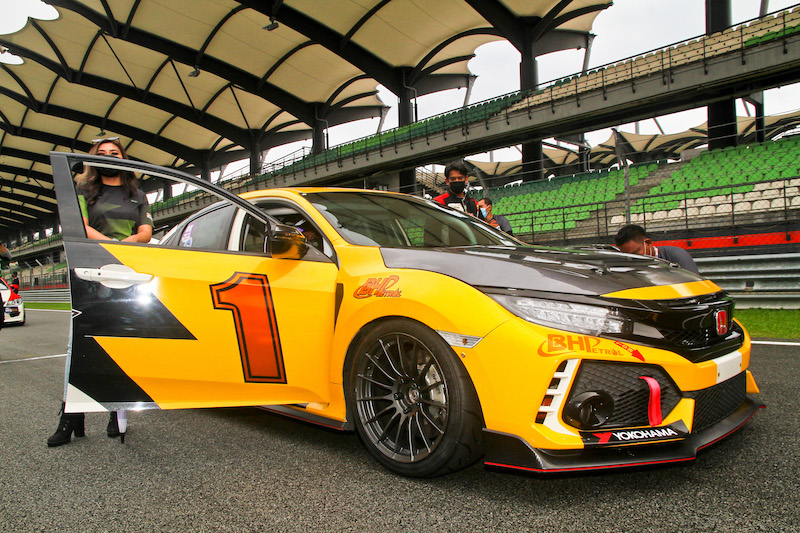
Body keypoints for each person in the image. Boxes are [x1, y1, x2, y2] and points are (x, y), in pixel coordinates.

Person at [47, 138, 153, 447]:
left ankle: (116, 411)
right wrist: (109, 244)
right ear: (93, 159)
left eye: (114, 153)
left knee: (119, 343)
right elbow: (79, 226)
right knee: (78, 342)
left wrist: (125, 245)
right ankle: (71, 415)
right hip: (90, 268)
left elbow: (146, 232)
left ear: (123, 159)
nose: (108, 157)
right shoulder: (82, 191)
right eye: (102, 154)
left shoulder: (138, 195)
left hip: (126, 271)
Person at [614, 224, 699, 274]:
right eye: (627, 256)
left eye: (635, 253)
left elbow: (694, 285)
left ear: (648, 243)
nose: (632, 259)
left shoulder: (676, 256)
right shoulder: (629, 266)